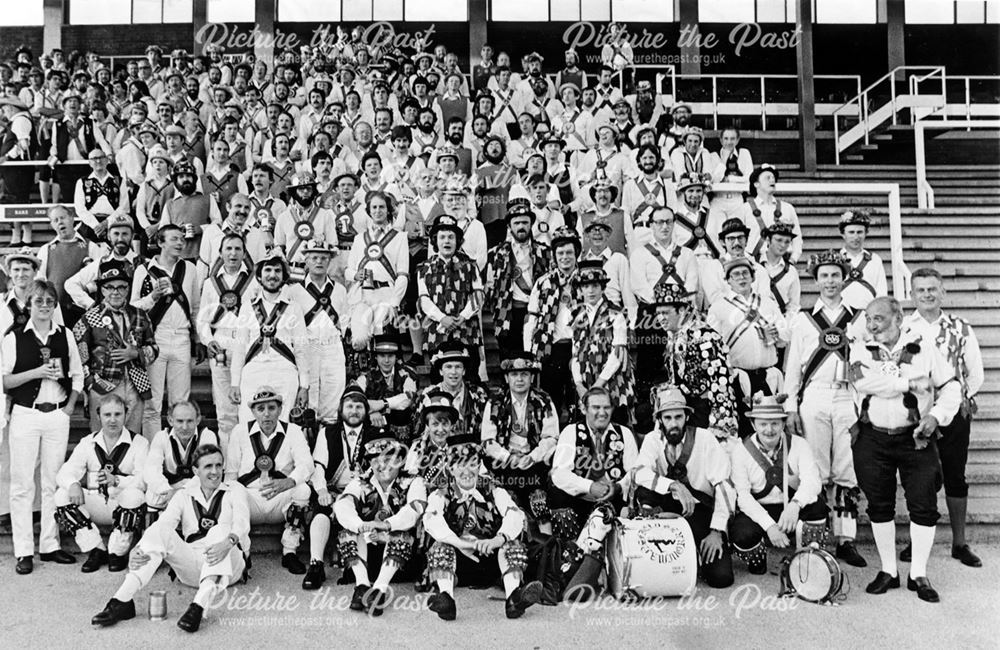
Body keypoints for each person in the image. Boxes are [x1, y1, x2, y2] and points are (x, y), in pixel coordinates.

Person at [850, 296, 961, 603]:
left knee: (923, 503)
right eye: (869, 319)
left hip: (916, 438)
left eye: (879, 319)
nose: (872, 325)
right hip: (872, 437)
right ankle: (888, 570)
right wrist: (909, 384)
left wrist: (935, 416)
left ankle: (918, 574)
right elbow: (864, 382)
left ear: (898, 319)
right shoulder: (861, 347)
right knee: (879, 503)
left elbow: (951, 387)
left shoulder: (924, 346)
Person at [91, 443, 248, 633]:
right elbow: (163, 526)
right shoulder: (183, 494)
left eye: (218, 465)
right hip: (192, 565)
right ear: (195, 470)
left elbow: (241, 523)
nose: (215, 471)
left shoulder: (235, 489)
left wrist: (228, 542)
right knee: (159, 530)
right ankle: (121, 601)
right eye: (208, 466)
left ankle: (198, 607)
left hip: (229, 563)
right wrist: (137, 548)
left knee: (218, 530)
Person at [784, 249, 868, 567]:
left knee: (847, 469)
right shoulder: (803, 321)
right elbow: (793, 367)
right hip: (814, 397)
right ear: (815, 280)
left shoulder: (858, 319)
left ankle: (846, 540)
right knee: (815, 469)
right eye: (824, 276)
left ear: (843, 278)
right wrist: (791, 405)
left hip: (847, 396)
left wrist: (862, 400)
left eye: (835, 275)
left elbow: (863, 364)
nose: (830, 281)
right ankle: (817, 536)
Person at [902, 268, 984, 568]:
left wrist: (953, 404)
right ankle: (917, 538)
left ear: (942, 292)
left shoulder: (960, 328)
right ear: (912, 294)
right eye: (921, 290)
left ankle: (959, 543)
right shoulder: (904, 329)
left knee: (954, 475)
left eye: (932, 289)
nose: (927, 294)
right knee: (918, 478)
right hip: (915, 414)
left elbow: (975, 374)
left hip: (952, 415)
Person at [2, 280, 84, 574]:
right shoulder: (14, 337)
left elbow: (77, 375)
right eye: (39, 301)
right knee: (23, 484)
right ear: (29, 304)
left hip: (57, 415)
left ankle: (50, 545)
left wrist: (71, 407)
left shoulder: (65, 335)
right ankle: (24, 551)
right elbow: (6, 382)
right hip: (26, 414)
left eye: (50, 301)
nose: (45, 306)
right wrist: (37, 371)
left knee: (52, 481)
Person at [423, 432, 543, 621]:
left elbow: (514, 514)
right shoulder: (441, 493)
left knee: (511, 544)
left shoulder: (493, 489)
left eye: (472, 464)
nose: (467, 471)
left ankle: (514, 599)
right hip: (460, 562)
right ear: (451, 468)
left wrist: (497, 540)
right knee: (440, 547)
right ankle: (446, 600)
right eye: (461, 465)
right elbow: (432, 520)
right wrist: (461, 544)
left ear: (479, 466)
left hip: (491, 559)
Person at [633, 384, 735, 588]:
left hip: (699, 511)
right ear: (659, 419)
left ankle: (696, 550)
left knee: (721, 578)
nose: (673, 424)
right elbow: (639, 472)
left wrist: (716, 532)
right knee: (645, 489)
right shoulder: (653, 440)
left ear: (687, 417)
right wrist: (673, 485)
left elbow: (724, 486)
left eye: (678, 417)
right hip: (665, 511)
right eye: (668, 418)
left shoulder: (705, 439)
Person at [550, 387, 639, 601]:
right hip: (580, 500)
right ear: (584, 408)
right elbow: (559, 473)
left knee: (620, 507)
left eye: (606, 407)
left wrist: (617, 487)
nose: (602, 412)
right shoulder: (571, 432)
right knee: (556, 496)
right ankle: (573, 565)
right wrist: (589, 486)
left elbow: (635, 472)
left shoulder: (624, 434)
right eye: (596, 407)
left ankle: (592, 571)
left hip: (611, 500)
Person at [729, 393, 829, 575]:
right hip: (759, 511)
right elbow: (743, 496)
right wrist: (769, 526)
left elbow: (813, 481)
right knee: (741, 535)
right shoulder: (741, 451)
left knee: (818, 508)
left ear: (783, 424)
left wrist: (795, 505)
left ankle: (807, 557)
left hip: (791, 508)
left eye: (775, 423)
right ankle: (758, 558)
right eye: (763, 424)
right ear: (753, 425)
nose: (769, 430)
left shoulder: (799, 445)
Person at [331, 432, 425, 615]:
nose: (382, 465)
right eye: (376, 460)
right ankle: (362, 586)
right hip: (366, 556)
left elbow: (415, 509)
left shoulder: (414, 481)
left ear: (399, 460)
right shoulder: (361, 482)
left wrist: (387, 524)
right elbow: (343, 503)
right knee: (347, 530)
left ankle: (380, 590)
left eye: (389, 458)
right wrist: (359, 525)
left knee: (401, 533)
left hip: (401, 560)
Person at [54, 394, 149, 573]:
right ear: (98, 416)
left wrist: (118, 480)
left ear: (126, 415)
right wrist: (73, 483)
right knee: (62, 494)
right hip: (96, 503)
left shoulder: (139, 443)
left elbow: (144, 480)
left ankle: (117, 552)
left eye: (117, 414)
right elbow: (64, 473)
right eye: (107, 415)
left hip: (122, 506)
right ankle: (96, 549)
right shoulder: (88, 442)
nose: (112, 420)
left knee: (135, 495)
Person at [225, 386, 313, 575]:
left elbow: (306, 464)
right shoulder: (240, 432)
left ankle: (290, 551)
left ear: (280, 409)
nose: (266, 414)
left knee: (303, 489)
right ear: (252, 411)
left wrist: (289, 482)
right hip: (249, 502)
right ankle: (244, 552)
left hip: (280, 500)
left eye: (271, 408)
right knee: (233, 489)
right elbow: (231, 473)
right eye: (260, 409)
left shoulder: (294, 431)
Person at [641, 283, 738, 439]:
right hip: (685, 409)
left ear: (682, 310)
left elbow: (721, 380)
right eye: (658, 314)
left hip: (703, 410)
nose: (661, 319)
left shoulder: (703, 335)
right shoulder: (674, 335)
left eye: (665, 313)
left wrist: (719, 423)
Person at [302, 384, 376, 590]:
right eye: (350, 406)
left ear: (366, 411)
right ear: (341, 409)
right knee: (321, 512)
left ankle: (355, 565)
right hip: (333, 490)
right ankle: (316, 565)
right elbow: (318, 465)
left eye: (359, 407)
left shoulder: (375, 433)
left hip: (363, 491)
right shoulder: (328, 432)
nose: (354, 411)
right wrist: (322, 491)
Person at [132, 224, 202, 438]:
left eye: (182, 239)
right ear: (160, 243)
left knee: (180, 402)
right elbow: (134, 307)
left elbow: (196, 307)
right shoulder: (144, 270)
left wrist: (198, 338)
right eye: (174, 239)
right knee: (152, 404)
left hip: (182, 338)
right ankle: (153, 451)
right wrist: (153, 297)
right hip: (155, 339)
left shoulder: (190, 269)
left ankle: (178, 450)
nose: (180, 243)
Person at [73, 260, 158, 433]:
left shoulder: (139, 315)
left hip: (136, 383)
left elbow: (154, 348)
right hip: (103, 384)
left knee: (132, 435)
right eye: (110, 287)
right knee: (102, 434)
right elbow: (79, 354)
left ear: (128, 289)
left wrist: (137, 353)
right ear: (102, 290)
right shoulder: (90, 318)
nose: (115, 292)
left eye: (121, 287)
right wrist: (90, 384)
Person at [707, 257, 788, 438]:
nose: (741, 278)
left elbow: (785, 337)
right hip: (738, 378)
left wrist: (776, 333)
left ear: (753, 277)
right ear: (727, 280)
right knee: (744, 431)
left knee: (769, 430)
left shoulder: (767, 303)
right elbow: (713, 347)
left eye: (745, 273)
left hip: (768, 378)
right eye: (735, 274)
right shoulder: (718, 308)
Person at [196, 232, 260, 445]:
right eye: (229, 249)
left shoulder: (254, 281)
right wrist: (208, 340)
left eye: (238, 249)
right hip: (221, 346)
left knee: (249, 407)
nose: (233, 253)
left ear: (244, 253)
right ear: (221, 253)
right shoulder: (210, 284)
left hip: (247, 348)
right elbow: (202, 320)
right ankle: (228, 466)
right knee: (225, 412)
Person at [229, 252, 310, 422]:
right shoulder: (247, 307)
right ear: (259, 276)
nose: (272, 275)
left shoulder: (293, 308)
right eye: (267, 270)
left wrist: (304, 385)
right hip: (253, 372)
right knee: (249, 423)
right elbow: (240, 348)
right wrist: (235, 382)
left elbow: (302, 349)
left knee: (285, 425)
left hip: (285, 372)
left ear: (284, 276)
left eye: (277, 271)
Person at [287, 239, 348, 424]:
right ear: (306, 261)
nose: (319, 262)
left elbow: (345, 321)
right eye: (314, 257)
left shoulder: (339, 290)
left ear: (329, 261)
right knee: (309, 397)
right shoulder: (294, 291)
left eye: (323, 257)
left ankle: (327, 443)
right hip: (308, 348)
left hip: (332, 347)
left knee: (333, 393)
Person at [524, 227, 581, 419]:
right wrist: (529, 352)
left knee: (577, 399)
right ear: (554, 256)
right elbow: (531, 319)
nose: (565, 257)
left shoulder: (586, 281)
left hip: (579, 348)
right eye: (560, 253)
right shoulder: (543, 283)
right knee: (552, 399)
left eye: (569, 253)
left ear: (577, 254)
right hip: (551, 348)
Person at [484, 198, 552, 358]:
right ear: (509, 226)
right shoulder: (495, 254)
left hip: (536, 311)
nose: (521, 227)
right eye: (516, 223)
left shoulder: (545, 253)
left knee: (534, 356)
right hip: (509, 312)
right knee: (509, 358)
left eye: (525, 222)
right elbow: (489, 285)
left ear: (531, 224)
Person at [417, 214, 484, 373]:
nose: (446, 241)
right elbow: (423, 298)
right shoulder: (425, 267)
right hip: (438, 330)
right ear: (435, 241)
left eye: (451, 237)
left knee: (470, 373)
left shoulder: (470, 265)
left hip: (466, 330)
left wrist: (463, 316)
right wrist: (442, 318)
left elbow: (478, 294)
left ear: (458, 241)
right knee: (439, 375)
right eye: (442, 237)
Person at [570, 260, 633, 424]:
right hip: (586, 383)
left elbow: (618, 355)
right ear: (580, 289)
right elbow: (575, 354)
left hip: (610, 383)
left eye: (595, 286)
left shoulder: (616, 315)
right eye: (586, 286)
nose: (590, 291)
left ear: (603, 288)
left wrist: (598, 385)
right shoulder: (578, 316)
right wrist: (579, 386)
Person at [345, 190, 409, 349]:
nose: (377, 211)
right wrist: (355, 275)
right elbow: (348, 270)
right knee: (359, 339)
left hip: (386, 293)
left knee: (384, 341)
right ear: (369, 211)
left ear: (388, 210)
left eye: (382, 207)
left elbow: (402, 274)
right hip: (363, 294)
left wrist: (395, 302)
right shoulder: (360, 238)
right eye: (374, 207)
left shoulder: (400, 237)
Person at [143, 401, 220, 521]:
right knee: (152, 495)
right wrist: (167, 490)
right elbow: (151, 470)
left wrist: (181, 492)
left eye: (189, 421)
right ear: (170, 420)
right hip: (170, 489)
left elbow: (208, 473)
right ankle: (153, 529)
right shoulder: (161, 437)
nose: (185, 427)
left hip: (197, 487)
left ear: (198, 420)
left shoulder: (207, 436)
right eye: (180, 421)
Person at [36, 205, 105, 328]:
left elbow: (102, 277)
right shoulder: (45, 250)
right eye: (55, 220)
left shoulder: (91, 246)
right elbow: (40, 281)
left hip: (85, 310)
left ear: (72, 218)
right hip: (56, 312)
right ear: (51, 224)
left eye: (63, 218)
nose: (60, 222)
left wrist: (87, 289)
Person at [412, 342, 491, 444]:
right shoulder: (428, 395)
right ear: (441, 371)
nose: (453, 372)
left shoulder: (477, 394)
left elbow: (485, 430)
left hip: (470, 451)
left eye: (458, 367)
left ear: (464, 371)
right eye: (448, 367)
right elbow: (420, 433)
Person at [65, 212, 142, 312]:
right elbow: (70, 284)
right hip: (107, 322)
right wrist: (91, 305)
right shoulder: (101, 263)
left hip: (136, 321)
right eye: (116, 234)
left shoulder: (144, 263)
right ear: (109, 236)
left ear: (132, 236)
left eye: (125, 234)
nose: (120, 239)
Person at [274, 171, 339, 279]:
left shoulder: (325, 215)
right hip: (291, 271)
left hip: (318, 273)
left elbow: (333, 247)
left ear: (314, 191)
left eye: (308, 188)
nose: (305, 191)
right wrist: (284, 267)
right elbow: (278, 247)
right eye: (301, 189)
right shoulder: (284, 217)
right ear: (294, 192)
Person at [355, 335, 418, 443]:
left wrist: (379, 405)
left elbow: (407, 398)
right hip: (375, 425)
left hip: (400, 426)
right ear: (376, 357)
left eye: (390, 356)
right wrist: (370, 412)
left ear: (396, 357)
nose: (387, 360)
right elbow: (355, 398)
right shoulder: (366, 376)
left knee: (402, 414)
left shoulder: (407, 374)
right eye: (382, 356)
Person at [159, 160, 222, 262]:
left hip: (202, 255)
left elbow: (218, 223)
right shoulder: (170, 204)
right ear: (176, 181)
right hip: (177, 256)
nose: (185, 179)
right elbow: (162, 230)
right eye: (181, 177)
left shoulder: (207, 199)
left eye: (188, 176)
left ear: (194, 179)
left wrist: (200, 229)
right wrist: (177, 230)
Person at [741, 164, 802, 263]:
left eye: (773, 178)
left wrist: (793, 259)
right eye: (767, 178)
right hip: (755, 264)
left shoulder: (787, 208)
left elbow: (797, 237)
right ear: (756, 184)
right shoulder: (745, 209)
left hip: (782, 264)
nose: (772, 180)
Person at [2, 247, 64, 334]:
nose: (21, 274)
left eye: (26, 269)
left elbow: (59, 333)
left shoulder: (48, 301)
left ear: (35, 272)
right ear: (9, 272)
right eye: (16, 269)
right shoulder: (1, 302)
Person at [73, 148, 129, 243]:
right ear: (90, 162)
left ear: (107, 160)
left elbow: (124, 207)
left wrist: (106, 223)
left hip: (114, 223)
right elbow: (80, 209)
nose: (98, 161)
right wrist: (96, 226)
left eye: (101, 157)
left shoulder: (119, 181)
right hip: (90, 224)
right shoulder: (82, 182)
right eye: (94, 158)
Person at [838, 210, 888, 311]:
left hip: (868, 314)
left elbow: (881, 291)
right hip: (841, 313)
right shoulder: (836, 259)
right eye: (851, 232)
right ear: (843, 234)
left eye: (859, 232)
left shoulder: (875, 259)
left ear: (866, 233)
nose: (856, 237)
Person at [757, 220, 801, 319]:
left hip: (780, 323)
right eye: (779, 240)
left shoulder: (791, 271)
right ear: (768, 240)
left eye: (787, 242)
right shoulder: (754, 265)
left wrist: (786, 325)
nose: (783, 245)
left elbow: (793, 305)